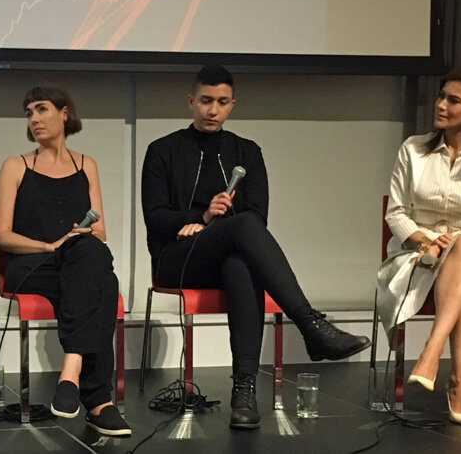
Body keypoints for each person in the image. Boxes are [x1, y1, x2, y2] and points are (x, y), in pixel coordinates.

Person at [141, 65, 370, 429]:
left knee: (241, 264)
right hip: (177, 258)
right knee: (242, 229)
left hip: (225, 251)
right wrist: (201, 215)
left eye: (221, 102)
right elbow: (155, 217)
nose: (212, 110)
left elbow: (257, 217)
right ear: (190, 101)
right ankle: (311, 325)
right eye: (204, 101)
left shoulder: (246, 151)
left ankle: (244, 393)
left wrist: (215, 224)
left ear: (232, 104)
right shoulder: (162, 150)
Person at [0, 86, 132, 437]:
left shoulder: (86, 165)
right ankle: (99, 400)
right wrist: (48, 245)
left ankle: (71, 372)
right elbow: (1, 235)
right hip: (30, 265)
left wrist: (73, 239)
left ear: (64, 113)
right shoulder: (16, 166)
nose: (34, 118)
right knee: (102, 281)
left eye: (41, 109)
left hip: (75, 262)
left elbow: (99, 232)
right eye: (28, 112)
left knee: (91, 257)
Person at [377, 68, 461, 427]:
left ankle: (432, 352)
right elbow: (397, 213)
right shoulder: (413, 149)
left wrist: (460, 241)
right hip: (418, 253)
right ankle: (458, 380)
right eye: (441, 96)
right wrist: (427, 239)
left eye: (453, 100)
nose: (441, 105)